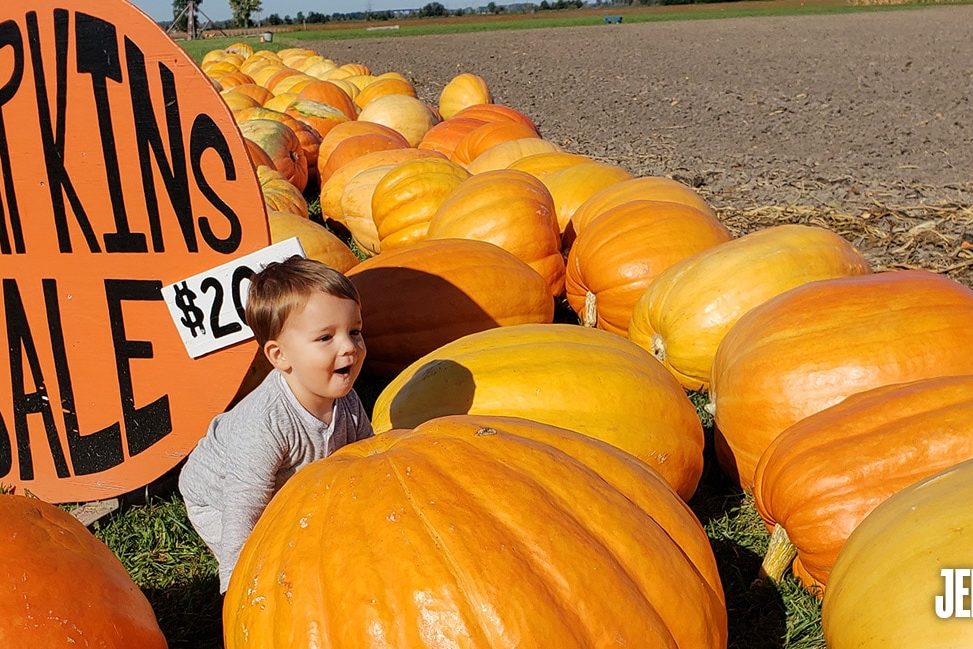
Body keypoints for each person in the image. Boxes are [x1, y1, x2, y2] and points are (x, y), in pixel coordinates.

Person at [178, 255, 372, 593]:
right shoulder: (264, 424)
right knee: (270, 561)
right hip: (218, 498)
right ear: (280, 356)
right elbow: (242, 512)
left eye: (354, 331)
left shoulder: (347, 401)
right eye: (325, 338)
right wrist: (236, 591)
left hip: (284, 486)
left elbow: (368, 460)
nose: (349, 347)